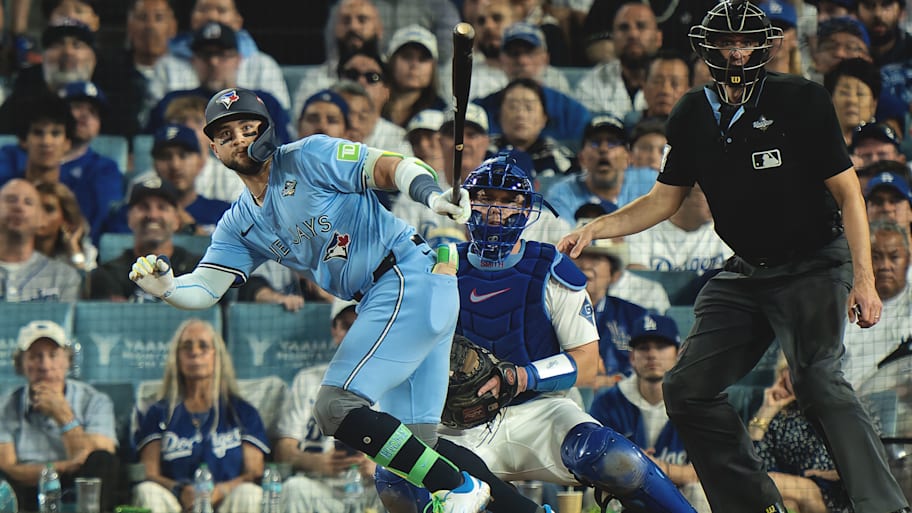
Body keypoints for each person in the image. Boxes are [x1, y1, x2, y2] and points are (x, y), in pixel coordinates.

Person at [558, 2, 910, 511]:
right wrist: (597, 227)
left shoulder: (802, 99)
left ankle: (884, 506)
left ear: (765, 46)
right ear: (708, 47)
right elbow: (664, 198)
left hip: (814, 262)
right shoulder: (690, 113)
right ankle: (752, 505)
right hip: (746, 273)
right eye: (728, 43)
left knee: (817, 379)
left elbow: (851, 195)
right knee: (685, 388)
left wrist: (865, 279)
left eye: (747, 43)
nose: (738, 52)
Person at [128, 86, 507, 513]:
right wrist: (169, 289)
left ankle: (459, 488)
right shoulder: (238, 222)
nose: (238, 138)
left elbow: (391, 166)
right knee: (415, 450)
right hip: (392, 292)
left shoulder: (307, 155)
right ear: (213, 147)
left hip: (404, 275)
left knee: (334, 407)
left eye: (247, 127)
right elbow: (205, 288)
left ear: (267, 129)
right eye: (226, 133)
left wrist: (430, 194)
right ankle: (527, 511)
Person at [375, 153, 697, 513]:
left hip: (542, 411)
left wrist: (520, 376)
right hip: (461, 423)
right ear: (465, 204)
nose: (496, 211)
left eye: (507, 201)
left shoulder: (551, 268)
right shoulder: (439, 264)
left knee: (615, 458)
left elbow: (587, 364)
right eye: (484, 198)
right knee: (395, 476)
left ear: (526, 209)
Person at [132, 318, 269, 513]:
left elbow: (254, 472)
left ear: (217, 355)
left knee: (249, 493)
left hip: (226, 502)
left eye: (203, 346)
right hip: (177, 503)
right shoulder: (158, 413)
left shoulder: (242, 412)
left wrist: (221, 490)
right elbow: (149, 472)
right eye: (186, 347)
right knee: (148, 491)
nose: (194, 353)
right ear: (177, 358)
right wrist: (179, 491)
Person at [589, 314, 712, 513]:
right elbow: (589, 468)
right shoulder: (608, 403)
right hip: (623, 494)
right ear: (632, 358)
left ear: (678, 353)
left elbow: (714, 473)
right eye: (643, 348)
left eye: (661, 346)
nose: (652, 355)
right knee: (593, 496)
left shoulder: (698, 403)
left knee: (701, 493)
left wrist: (658, 470)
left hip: (682, 495)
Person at [276, 300, 385, 513]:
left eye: (362, 326)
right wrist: (316, 462)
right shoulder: (307, 380)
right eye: (346, 326)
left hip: (370, 490)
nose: (354, 335)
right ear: (334, 330)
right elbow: (283, 450)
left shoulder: (393, 386)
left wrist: (380, 470)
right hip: (320, 487)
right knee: (294, 488)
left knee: (398, 491)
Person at [0, 320, 120, 511]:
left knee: (103, 461)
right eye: (35, 356)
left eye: (53, 355)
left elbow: (96, 457)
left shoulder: (95, 400)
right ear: (21, 364)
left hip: (78, 482)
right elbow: (8, 466)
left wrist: (63, 415)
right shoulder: (5, 406)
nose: (45, 366)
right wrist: (62, 467)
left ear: (67, 361)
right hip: (27, 486)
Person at [747, 352, 855, 513]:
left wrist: (838, 473)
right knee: (788, 504)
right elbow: (756, 465)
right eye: (794, 373)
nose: (802, 380)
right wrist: (766, 410)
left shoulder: (846, 409)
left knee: (790, 487)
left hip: (835, 494)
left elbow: (875, 462)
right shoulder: (781, 416)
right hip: (789, 491)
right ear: (783, 373)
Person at [86, 177, 202, 301]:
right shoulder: (108, 274)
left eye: (162, 207)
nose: (153, 215)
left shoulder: (198, 270)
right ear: (129, 218)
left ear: (177, 220)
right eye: (143, 207)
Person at [841, 220, 912, 389]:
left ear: (908, 260)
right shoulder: (844, 300)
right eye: (876, 257)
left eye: (894, 257)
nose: (884, 266)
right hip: (842, 399)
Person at [0, 179, 82, 302]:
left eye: (28, 202)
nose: (19, 207)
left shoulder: (63, 277)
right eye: (11, 200)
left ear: (41, 219)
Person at [625, 184, 734, 274]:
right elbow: (638, 277)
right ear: (681, 196)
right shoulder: (643, 231)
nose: (716, 201)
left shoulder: (724, 232)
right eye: (706, 192)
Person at [34, 181, 98, 273]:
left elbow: (87, 284)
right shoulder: (13, 251)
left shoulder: (86, 253)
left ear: (65, 219)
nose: (38, 215)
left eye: (49, 209)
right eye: (34, 207)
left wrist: (73, 249)